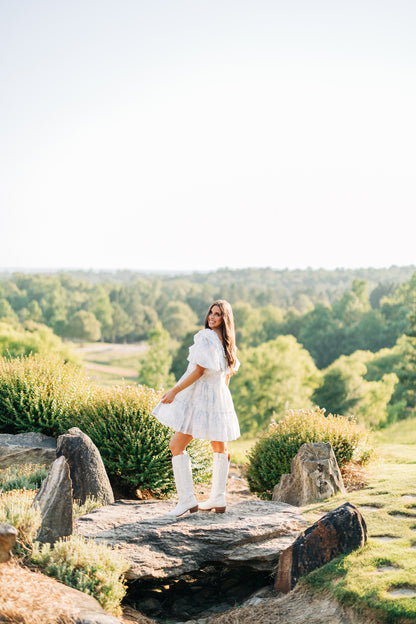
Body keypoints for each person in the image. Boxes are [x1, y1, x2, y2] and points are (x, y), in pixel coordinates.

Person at [152, 299, 240, 518]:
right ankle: (217, 499)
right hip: (219, 398)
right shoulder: (227, 343)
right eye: (211, 312)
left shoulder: (206, 338)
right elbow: (226, 376)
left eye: (218, 314)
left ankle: (187, 500)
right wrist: (220, 402)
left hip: (201, 400)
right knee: (220, 448)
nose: (212, 317)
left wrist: (175, 390)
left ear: (224, 318)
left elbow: (199, 370)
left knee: (176, 445)